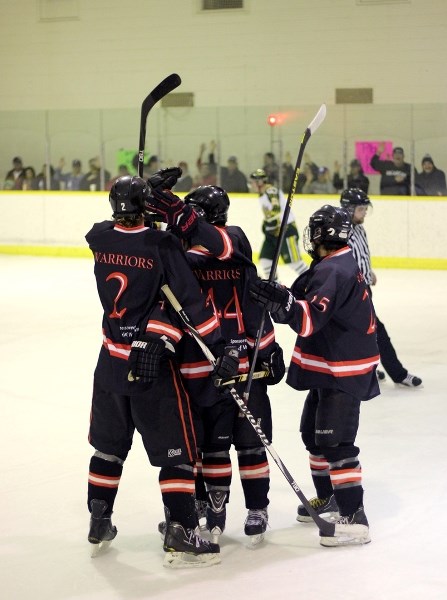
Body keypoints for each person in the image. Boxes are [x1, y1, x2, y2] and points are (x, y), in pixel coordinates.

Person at [85, 174, 240, 568]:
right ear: (147, 210)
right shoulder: (162, 245)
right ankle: (182, 530)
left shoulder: (99, 238)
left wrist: (141, 194)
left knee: (109, 446)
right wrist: (219, 347)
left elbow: (110, 232)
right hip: (149, 364)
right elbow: (191, 302)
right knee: (179, 453)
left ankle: (99, 520)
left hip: (109, 362)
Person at [145, 178, 285, 546]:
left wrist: (268, 349)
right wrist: (150, 218)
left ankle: (257, 508)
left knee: (252, 444)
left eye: (191, 217)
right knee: (211, 447)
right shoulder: (182, 256)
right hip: (202, 367)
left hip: (243, 365)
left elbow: (253, 308)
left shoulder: (234, 240)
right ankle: (211, 510)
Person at [249, 204, 381, 547]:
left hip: (343, 369)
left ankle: (355, 518)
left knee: (336, 442)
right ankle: (331, 498)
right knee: (313, 434)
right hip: (331, 364)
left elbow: (307, 320)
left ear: (320, 236)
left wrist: (286, 303)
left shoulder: (334, 271)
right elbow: (299, 304)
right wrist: (281, 299)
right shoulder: (330, 264)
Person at [340, 188, 422, 387]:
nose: (365, 212)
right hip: (353, 292)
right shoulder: (342, 232)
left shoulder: (359, 228)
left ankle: (366, 370)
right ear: (349, 209)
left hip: (363, 288)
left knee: (362, 332)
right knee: (376, 331)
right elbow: (340, 263)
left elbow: (361, 255)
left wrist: (369, 272)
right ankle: (398, 373)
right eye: (361, 208)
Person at [250, 168, 308, 279]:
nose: (251, 184)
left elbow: (276, 209)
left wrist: (269, 222)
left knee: (294, 263)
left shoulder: (271, 190)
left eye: (253, 181)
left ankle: (314, 281)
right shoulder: (262, 195)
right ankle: (275, 287)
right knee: (265, 260)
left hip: (286, 230)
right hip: (273, 233)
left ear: (259, 182)